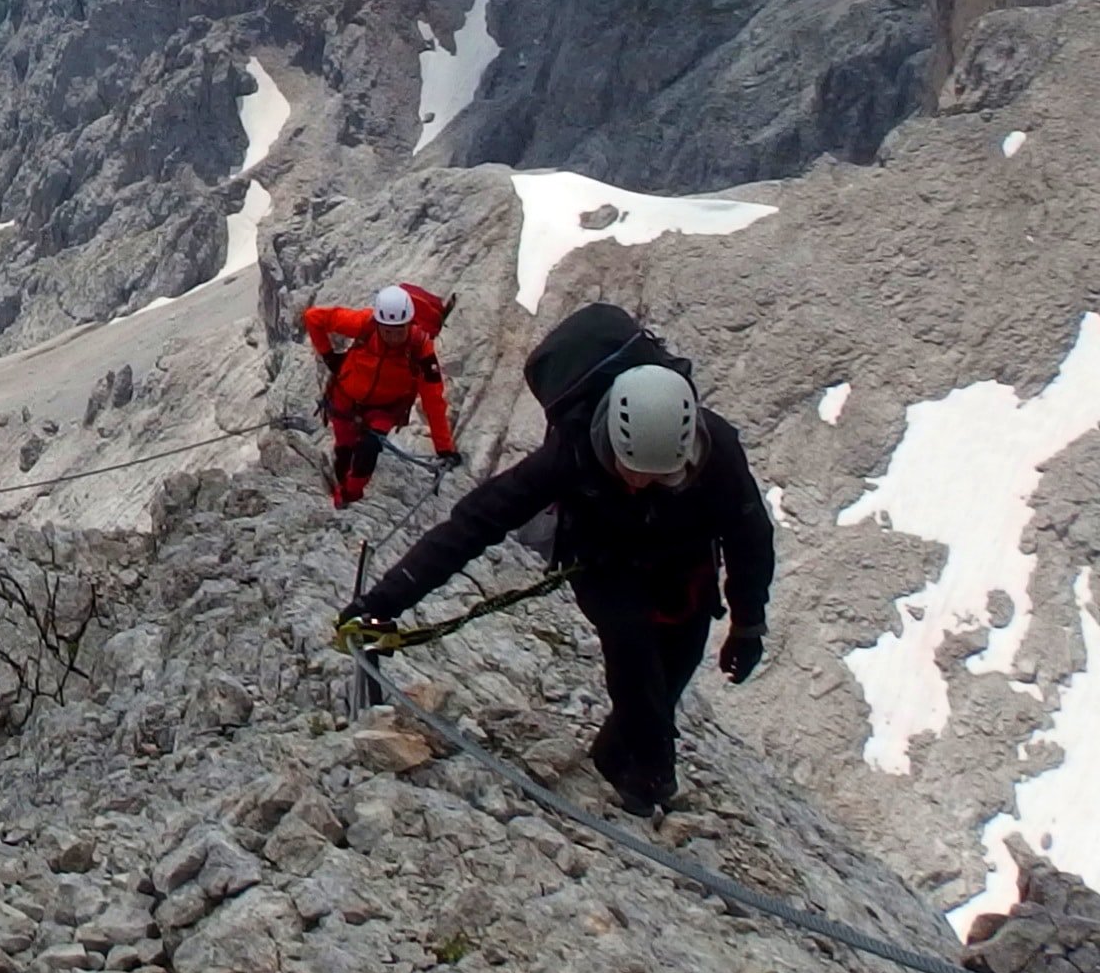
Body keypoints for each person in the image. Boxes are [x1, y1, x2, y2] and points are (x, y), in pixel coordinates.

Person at [340, 304, 770, 815]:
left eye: (660, 479)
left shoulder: (718, 453)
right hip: (603, 563)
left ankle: (614, 765)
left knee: (668, 679)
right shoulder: (572, 450)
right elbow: (476, 523)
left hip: (686, 572)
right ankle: (649, 786)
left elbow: (750, 537)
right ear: (609, 437)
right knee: (633, 658)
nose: (640, 485)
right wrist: (384, 601)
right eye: (629, 471)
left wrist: (748, 625)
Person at [300, 282, 459, 507]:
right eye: (388, 331)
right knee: (344, 453)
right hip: (345, 399)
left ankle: (349, 496)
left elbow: (433, 400)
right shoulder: (365, 324)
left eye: (399, 330)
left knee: (368, 448)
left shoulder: (420, 347)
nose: (394, 337)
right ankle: (342, 490)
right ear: (378, 323)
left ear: (409, 323)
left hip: (384, 409)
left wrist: (444, 448)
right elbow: (313, 317)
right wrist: (330, 357)